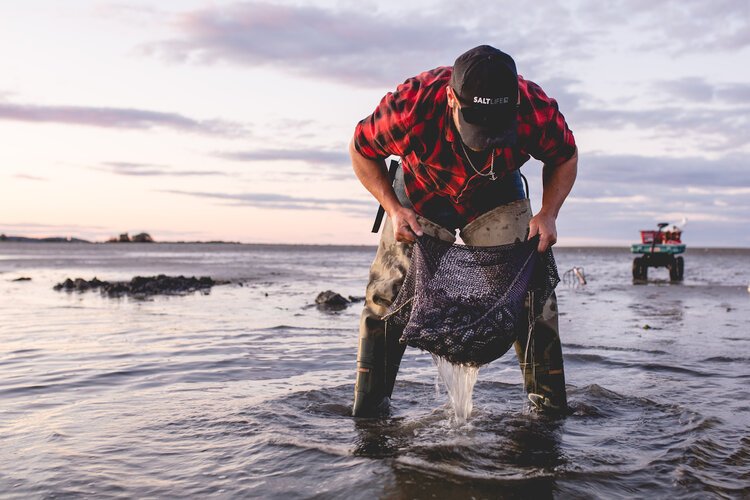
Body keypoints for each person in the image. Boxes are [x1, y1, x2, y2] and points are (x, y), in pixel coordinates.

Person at [349, 45, 578, 417]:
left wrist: (549, 213)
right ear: (451, 99)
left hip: (497, 188)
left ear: (516, 103)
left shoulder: (536, 110)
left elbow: (565, 156)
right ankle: (370, 415)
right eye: (478, 125)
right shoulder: (411, 105)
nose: (486, 136)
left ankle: (548, 415)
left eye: (497, 126)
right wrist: (393, 209)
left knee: (534, 296)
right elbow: (361, 150)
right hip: (421, 194)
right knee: (386, 297)